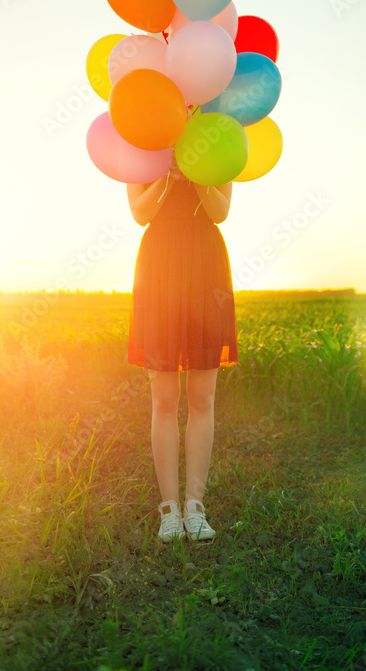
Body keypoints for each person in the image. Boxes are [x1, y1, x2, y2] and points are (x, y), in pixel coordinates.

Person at [126, 155, 238, 542]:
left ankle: (195, 506)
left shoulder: (217, 135)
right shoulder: (143, 141)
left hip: (205, 260)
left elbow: (220, 211)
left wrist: (198, 172)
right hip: (160, 264)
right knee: (164, 397)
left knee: (203, 396)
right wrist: (168, 178)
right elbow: (139, 212)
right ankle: (169, 510)